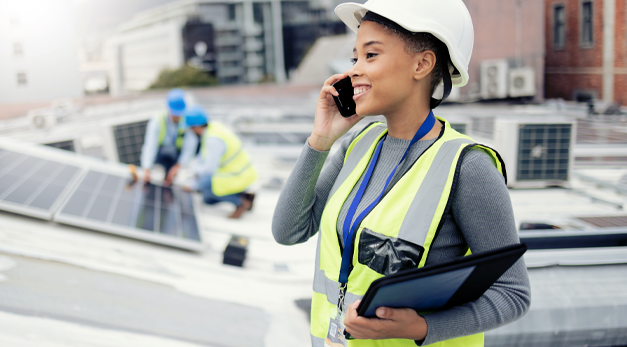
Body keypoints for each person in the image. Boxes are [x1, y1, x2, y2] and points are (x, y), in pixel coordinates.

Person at [271, 1, 531, 346]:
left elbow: (513, 294)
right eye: (355, 58)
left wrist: (420, 328)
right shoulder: (357, 145)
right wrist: (320, 141)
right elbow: (288, 231)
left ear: (422, 64)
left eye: (371, 55)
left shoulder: (467, 166)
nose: (354, 71)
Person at [182, 105, 257, 219]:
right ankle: (246, 196)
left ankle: (240, 202)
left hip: (238, 176)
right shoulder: (213, 128)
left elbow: (209, 170)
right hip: (241, 172)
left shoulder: (213, 140)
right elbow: (203, 160)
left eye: (190, 128)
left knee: (204, 185)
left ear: (195, 127)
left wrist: (193, 184)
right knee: (207, 200)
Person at [140, 89, 190, 186]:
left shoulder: (187, 121)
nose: (177, 116)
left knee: (179, 178)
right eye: (175, 114)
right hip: (161, 154)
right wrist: (146, 168)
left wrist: (177, 167)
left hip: (177, 154)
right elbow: (150, 145)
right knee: (158, 173)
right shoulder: (157, 121)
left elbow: (189, 148)